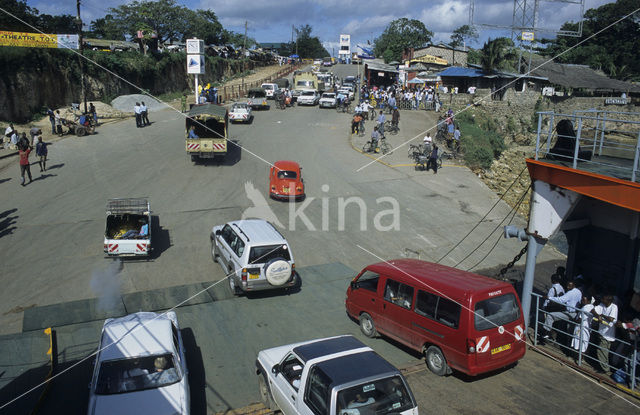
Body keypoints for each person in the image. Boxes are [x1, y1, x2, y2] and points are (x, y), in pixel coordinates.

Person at [590, 294, 618, 373]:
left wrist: (602, 315)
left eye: (604, 299)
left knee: (602, 351)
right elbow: (593, 309)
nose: (602, 300)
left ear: (609, 301)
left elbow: (611, 319)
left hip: (607, 335)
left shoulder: (614, 307)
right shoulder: (602, 305)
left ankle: (605, 369)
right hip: (601, 331)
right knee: (601, 351)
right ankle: (603, 367)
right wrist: (597, 315)